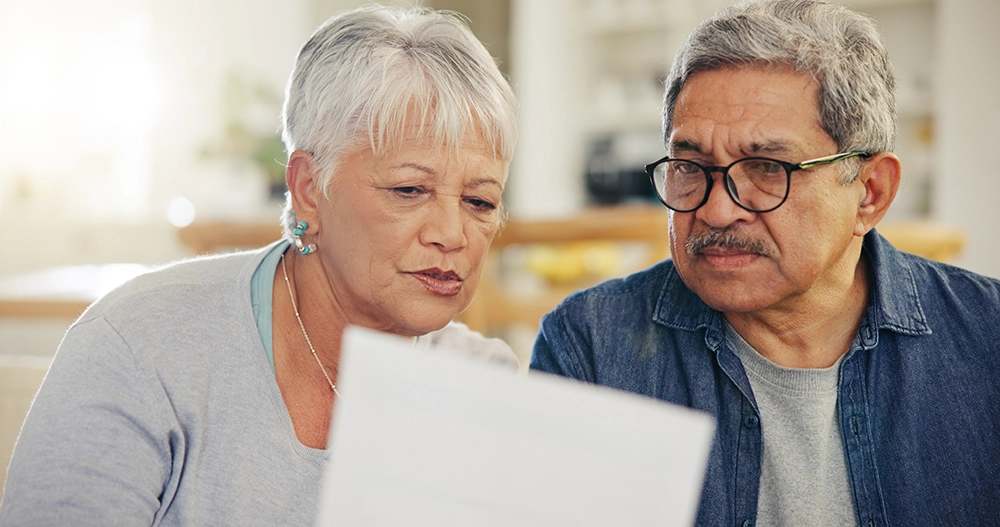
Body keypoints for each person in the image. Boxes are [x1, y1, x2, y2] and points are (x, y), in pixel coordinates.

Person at [0, 5, 517, 525]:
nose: (452, 234)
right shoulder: (141, 345)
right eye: (409, 190)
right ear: (310, 191)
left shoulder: (484, 387)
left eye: (480, 202)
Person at [531, 1, 1000, 525]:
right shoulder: (591, 349)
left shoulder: (988, 339)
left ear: (870, 192)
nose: (716, 208)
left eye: (766, 168)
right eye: (689, 166)